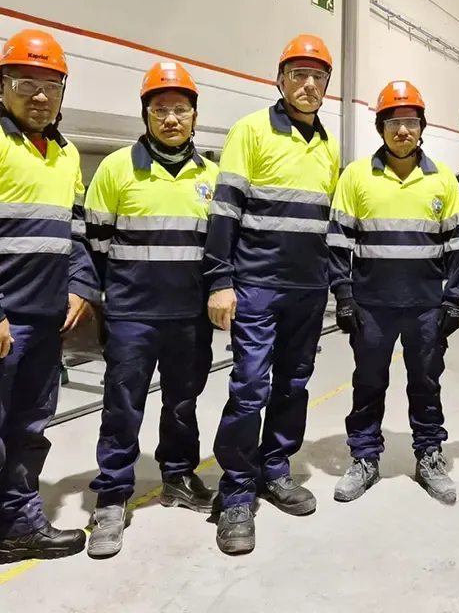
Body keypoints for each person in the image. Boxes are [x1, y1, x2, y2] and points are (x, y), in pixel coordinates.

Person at [205, 35, 339, 556]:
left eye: (318, 77)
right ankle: (236, 492)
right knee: (249, 387)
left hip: (307, 290)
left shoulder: (328, 144)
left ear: (326, 86)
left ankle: (275, 469)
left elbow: (324, 225)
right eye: (299, 75)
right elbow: (225, 212)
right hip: (256, 286)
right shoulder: (251, 130)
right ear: (280, 79)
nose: (309, 85)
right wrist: (220, 280)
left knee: (294, 385)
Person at [84, 62, 218, 558]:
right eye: (160, 109)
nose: (170, 118)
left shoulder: (212, 177)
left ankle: (178, 477)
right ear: (145, 114)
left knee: (183, 406)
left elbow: (221, 250)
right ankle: (113, 495)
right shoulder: (117, 169)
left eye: (180, 109)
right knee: (122, 407)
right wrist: (104, 307)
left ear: (195, 116)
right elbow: (93, 247)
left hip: (190, 320)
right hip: (132, 318)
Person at [327, 80, 459, 505]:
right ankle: (365, 456)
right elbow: (338, 242)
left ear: (421, 127)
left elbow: (457, 246)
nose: (402, 130)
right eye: (393, 121)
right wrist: (345, 296)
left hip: (426, 307)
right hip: (372, 307)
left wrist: (454, 299)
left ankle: (428, 454)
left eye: (410, 121)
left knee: (426, 383)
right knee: (368, 383)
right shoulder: (356, 176)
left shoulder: (441, 178)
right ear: (381, 128)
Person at [0, 29, 99, 563]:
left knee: (29, 429)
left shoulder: (65, 154)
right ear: (3, 85)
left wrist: (81, 285)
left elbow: (75, 232)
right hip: (4, 320)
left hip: (42, 323)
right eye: (25, 82)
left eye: (51, 85)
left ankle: (18, 524)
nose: (39, 95)